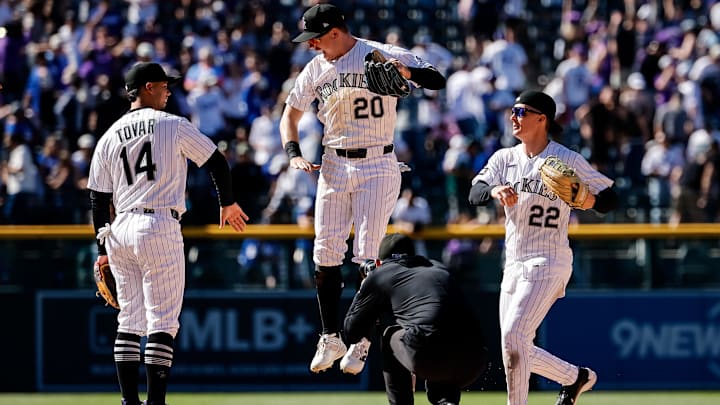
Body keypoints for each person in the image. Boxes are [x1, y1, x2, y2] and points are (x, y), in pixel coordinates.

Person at [279, 3, 447, 373]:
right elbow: (289, 116)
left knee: (368, 256)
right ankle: (330, 336)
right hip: (334, 163)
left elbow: (437, 78)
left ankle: (363, 342)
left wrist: (406, 70)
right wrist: (293, 152)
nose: (312, 46)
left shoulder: (379, 53)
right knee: (324, 252)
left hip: (377, 162)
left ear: (335, 32)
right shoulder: (315, 69)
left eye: (316, 38)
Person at [87, 62, 249, 405]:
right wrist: (228, 203)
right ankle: (156, 402)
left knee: (128, 319)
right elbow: (216, 161)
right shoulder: (172, 125)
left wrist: (101, 247)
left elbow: (98, 199)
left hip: (119, 230)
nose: (169, 91)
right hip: (158, 223)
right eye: (163, 86)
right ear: (148, 87)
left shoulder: (109, 135)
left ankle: (130, 401)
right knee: (162, 319)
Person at [468, 90, 618, 405]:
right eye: (513, 111)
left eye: (521, 111)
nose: (513, 117)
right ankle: (574, 378)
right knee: (513, 346)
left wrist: (587, 200)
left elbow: (610, 198)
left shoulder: (567, 159)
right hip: (514, 264)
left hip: (550, 260)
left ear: (542, 119)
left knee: (514, 337)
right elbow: (475, 193)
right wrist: (494, 189)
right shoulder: (504, 158)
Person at [342, 233, 488, 405]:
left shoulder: (381, 273)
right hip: (474, 360)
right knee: (438, 334)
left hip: (429, 354)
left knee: (391, 335)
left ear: (380, 262)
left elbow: (351, 331)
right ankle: (446, 402)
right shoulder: (438, 267)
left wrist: (366, 285)